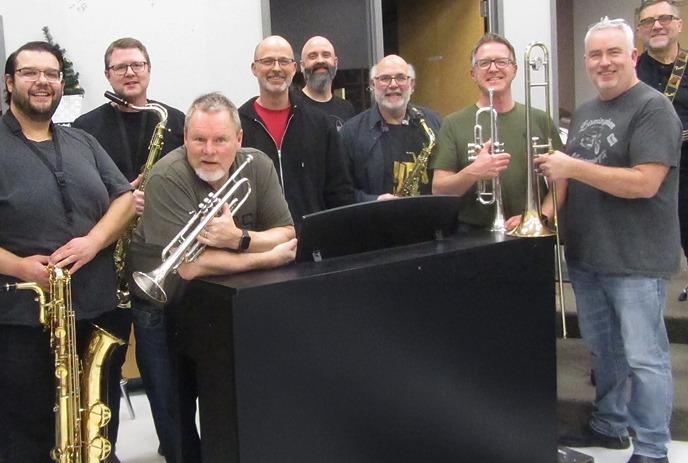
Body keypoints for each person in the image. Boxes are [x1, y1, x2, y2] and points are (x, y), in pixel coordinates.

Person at [540, 18, 680, 463]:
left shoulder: (653, 108)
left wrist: (570, 167)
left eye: (613, 52)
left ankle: (654, 448)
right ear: (586, 62)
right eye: (595, 55)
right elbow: (571, 179)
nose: (604, 62)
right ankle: (610, 424)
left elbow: (644, 183)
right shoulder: (585, 111)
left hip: (635, 258)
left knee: (645, 358)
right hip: (587, 255)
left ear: (632, 56)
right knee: (605, 353)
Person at [130, 92, 297, 463]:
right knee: (175, 415)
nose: (209, 150)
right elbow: (188, 266)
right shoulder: (167, 175)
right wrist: (262, 256)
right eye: (198, 139)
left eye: (220, 140)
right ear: (184, 137)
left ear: (238, 140)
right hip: (163, 303)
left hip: (219, 304)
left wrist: (239, 238)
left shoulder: (257, 165)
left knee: (230, 404)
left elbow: (286, 232)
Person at [0, 41, 134, 463]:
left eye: (51, 74)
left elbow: (126, 200)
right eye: (30, 73)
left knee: (96, 426)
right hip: (24, 320)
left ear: (61, 83)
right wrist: (19, 265)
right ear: (9, 82)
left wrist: (93, 241)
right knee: (29, 435)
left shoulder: (82, 141)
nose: (42, 82)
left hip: (93, 311)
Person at [72, 37, 185, 462]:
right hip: (106, 266)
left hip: (162, 264)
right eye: (120, 67)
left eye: (137, 65)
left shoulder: (173, 120)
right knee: (105, 370)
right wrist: (118, 204)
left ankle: (175, 448)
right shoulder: (85, 129)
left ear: (149, 69)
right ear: (107, 75)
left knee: (165, 372)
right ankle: (106, 453)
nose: (130, 73)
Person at [431, 33, 562, 230]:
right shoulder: (452, 123)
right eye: (484, 63)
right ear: (473, 74)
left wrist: (539, 218)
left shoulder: (540, 119)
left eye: (502, 61)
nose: (493, 68)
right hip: (472, 237)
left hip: (529, 234)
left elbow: (560, 182)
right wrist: (474, 172)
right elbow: (439, 189)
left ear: (515, 69)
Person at [238, 35, 354, 226]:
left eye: (284, 61)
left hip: (312, 245)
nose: (276, 68)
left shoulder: (320, 124)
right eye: (267, 61)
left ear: (294, 68)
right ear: (254, 68)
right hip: (257, 247)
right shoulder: (238, 126)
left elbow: (340, 191)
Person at [635, 0, 688, 296]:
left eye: (665, 18)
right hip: (643, 163)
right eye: (648, 21)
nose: (657, 25)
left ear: (678, 24)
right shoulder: (628, 69)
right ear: (640, 31)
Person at [340, 54, 442, 202]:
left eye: (401, 77)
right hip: (375, 222)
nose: (393, 85)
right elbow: (340, 193)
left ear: (411, 84)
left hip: (427, 221)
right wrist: (374, 201)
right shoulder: (351, 132)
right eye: (385, 78)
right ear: (373, 85)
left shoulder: (435, 123)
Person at [298, 35, 356, 130]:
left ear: (335, 63)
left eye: (326, 55)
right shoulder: (291, 106)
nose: (320, 60)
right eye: (313, 56)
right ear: (302, 65)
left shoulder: (347, 109)